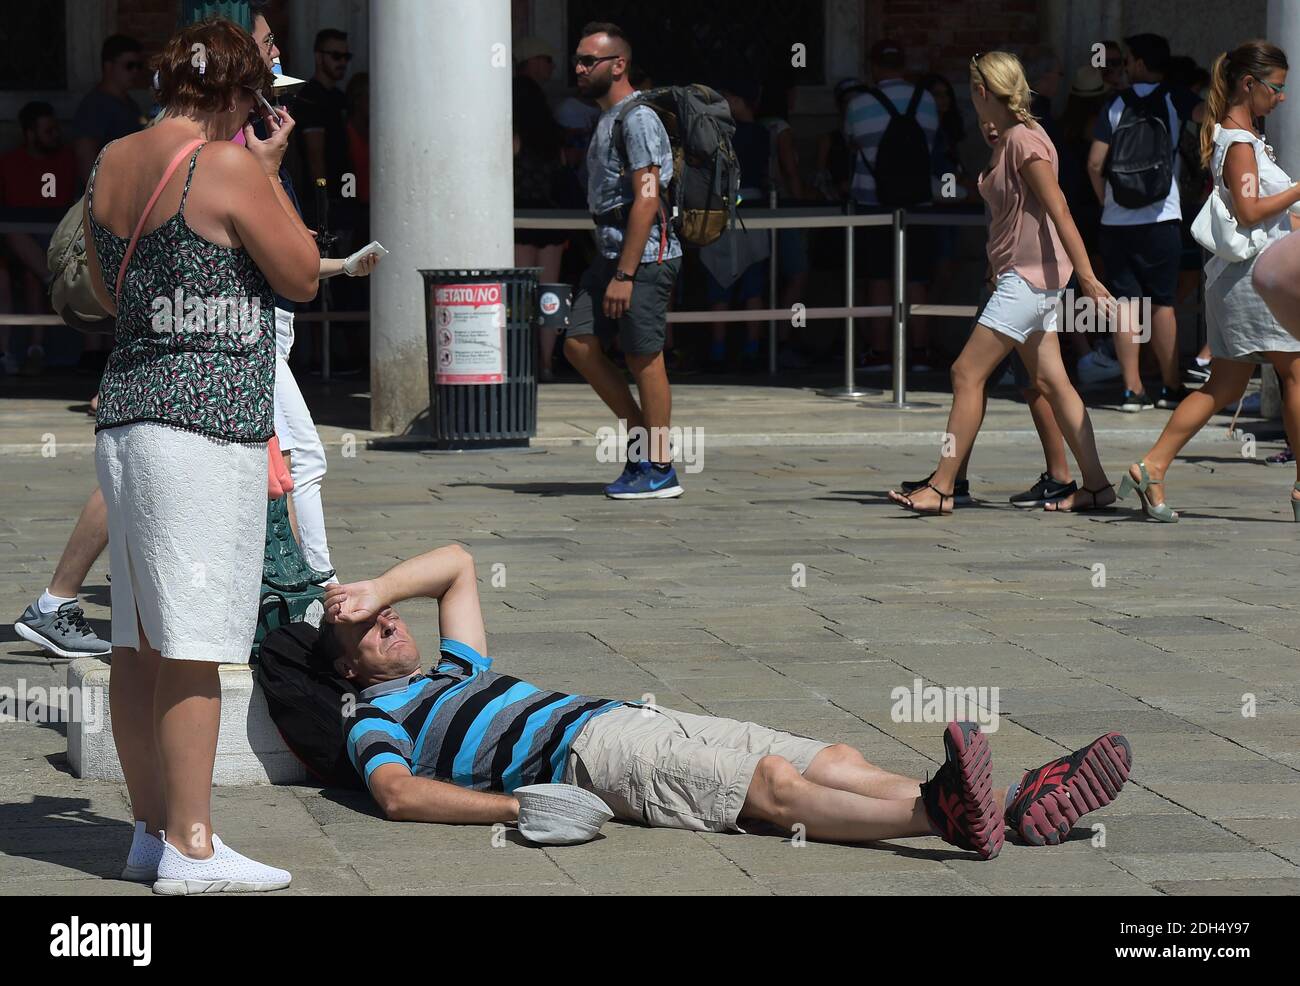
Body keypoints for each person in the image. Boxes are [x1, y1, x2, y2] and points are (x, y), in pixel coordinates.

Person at [315, 543, 1132, 855]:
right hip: (590, 758)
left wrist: (374, 585)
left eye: (386, 612)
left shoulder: (456, 670)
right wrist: (517, 808)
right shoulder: (377, 717)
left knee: (830, 758)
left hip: (630, 718)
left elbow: (457, 561)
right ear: (347, 670)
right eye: (362, 627)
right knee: (774, 791)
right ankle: (941, 815)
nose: (384, 618)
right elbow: (394, 795)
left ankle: (1010, 807)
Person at [82, 17, 319, 893]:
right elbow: (299, 270)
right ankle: (192, 845)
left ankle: (150, 832)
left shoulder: (113, 158)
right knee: (192, 644)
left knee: (139, 642)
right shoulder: (223, 165)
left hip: (130, 417)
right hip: (204, 423)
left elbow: (111, 287)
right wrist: (271, 172)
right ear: (235, 89)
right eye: (258, 92)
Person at [888, 52, 1117, 516]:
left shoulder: (1023, 142)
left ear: (980, 91)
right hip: (1029, 280)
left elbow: (1061, 211)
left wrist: (1089, 278)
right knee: (1054, 382)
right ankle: (1096, 486)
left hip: (1028, 282)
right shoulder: (1016, 138)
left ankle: (944, 486)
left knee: (965, 373)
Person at [1121, 41, 1300, 523]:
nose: (1281, 98)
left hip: (1242, 277)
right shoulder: (1239, 143)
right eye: (1276, 89)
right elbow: (1249, 211)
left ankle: (1151, 465)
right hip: (1254, 279)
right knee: (1295, 373)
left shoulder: (1241, 137)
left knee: (1222, 385)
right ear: (1249, 85)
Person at [563, 22, 684, 499]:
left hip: (644, 257)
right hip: (611, 251)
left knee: (643, 355)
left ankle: (659, 467)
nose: (578, 68)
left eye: (588, 60)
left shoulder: (638, 119)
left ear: (618, 65)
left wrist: (627, 274)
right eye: (577, 59)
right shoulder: (608, 117)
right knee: (578, 342)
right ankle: (641, 437)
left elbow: (648, 198)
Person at [1087, 33, 1203, 412]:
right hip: (1162, 216)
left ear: (1137, 63)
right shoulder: (1174, 98)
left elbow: (1093, 163)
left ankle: (1132, 391)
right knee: (1162, 303)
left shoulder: (1115, 103)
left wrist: (1108, 203)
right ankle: (1170, 388)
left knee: (1124, 303)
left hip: (1117, 222)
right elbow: (1208, 116)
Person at [844, 40, 940, 372]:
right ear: (903, 64)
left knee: (878, 279)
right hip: (918, 203)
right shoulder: (926, 100)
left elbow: (852, 144)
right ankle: (922, 351)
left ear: (873, 66)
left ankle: (880, 352)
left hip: (874, 204)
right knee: (917, 279)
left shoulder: (859, 104)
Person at [0, 101, 78, 376]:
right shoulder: (9, 163)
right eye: (48, 131)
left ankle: (36, 350)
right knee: (15, 235)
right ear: (30, 134)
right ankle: (52, 282)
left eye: (56, 129)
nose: (55, 135)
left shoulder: (67, 159)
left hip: (56, 241)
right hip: (17, 243)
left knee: (34, 278)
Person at [512, 75, 582, 382]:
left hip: (520, 217)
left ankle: (522, 359)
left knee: (520, 292)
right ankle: (547, 362)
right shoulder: (553, 136)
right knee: (550, 293)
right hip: (553, 218)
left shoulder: (513, 136)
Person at [701, 77, 770, 373]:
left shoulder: (718, 133)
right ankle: (751, 350)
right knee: (752, 285)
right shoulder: (765, 134)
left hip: (724, 208)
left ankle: (717, 352)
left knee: (721, 284)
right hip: (754, 209)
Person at [291, 28, 351, 231]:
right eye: (336, 56)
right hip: (323, 201)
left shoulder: (339, 97)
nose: (342, 62)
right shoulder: (310, 98)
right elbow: (315, 156)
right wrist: (322, 203)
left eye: (346, 56)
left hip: (344, 194)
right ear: (319, 57)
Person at [71, 34, 149, 185]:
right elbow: (85, 155)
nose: (135, 72)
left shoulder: (131, 104)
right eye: (129, 65)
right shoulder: (94, 106)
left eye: (139, 66)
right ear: (108, 66)